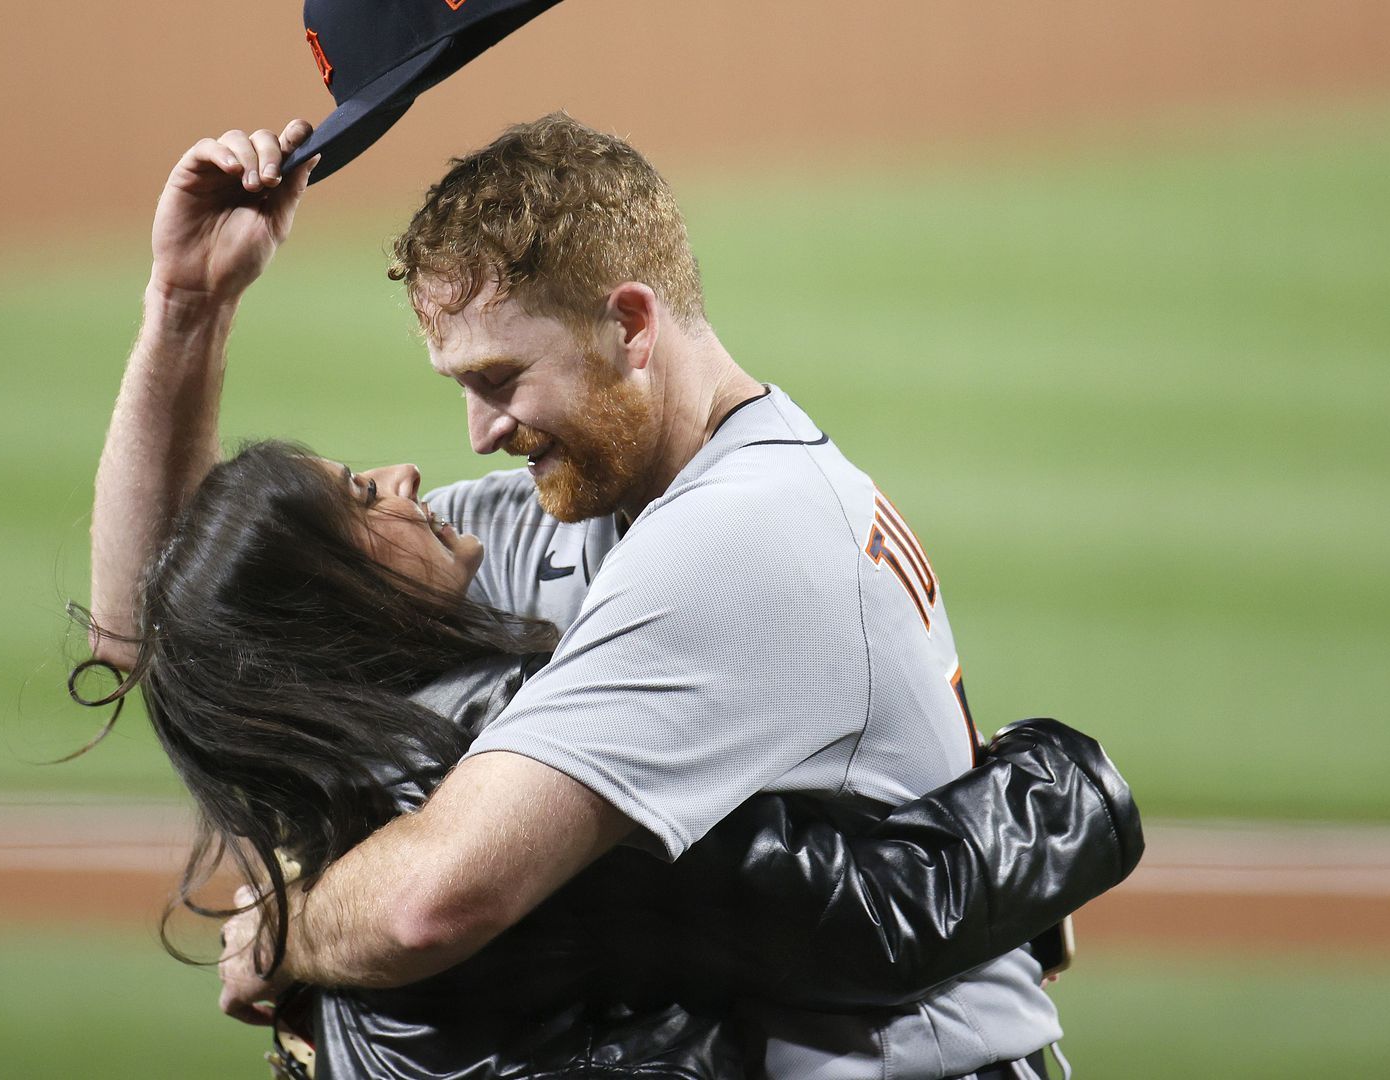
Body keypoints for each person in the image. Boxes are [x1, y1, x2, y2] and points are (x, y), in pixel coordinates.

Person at [90, 117, 1116, 1078]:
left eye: (500, 379)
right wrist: (188, 307)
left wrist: (289, 924)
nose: (477, 433)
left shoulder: (730, 540)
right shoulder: (580, 509)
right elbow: (188, 627)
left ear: (629, 325)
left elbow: (430, 903)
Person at [99, 437, 1137, 1077]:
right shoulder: (505, 788)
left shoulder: (313, 795)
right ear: (335, 601)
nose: (406, 473)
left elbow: (183, 627)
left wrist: (191, 303)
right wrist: (1065, 780)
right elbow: (882, 913)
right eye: (362, 500)